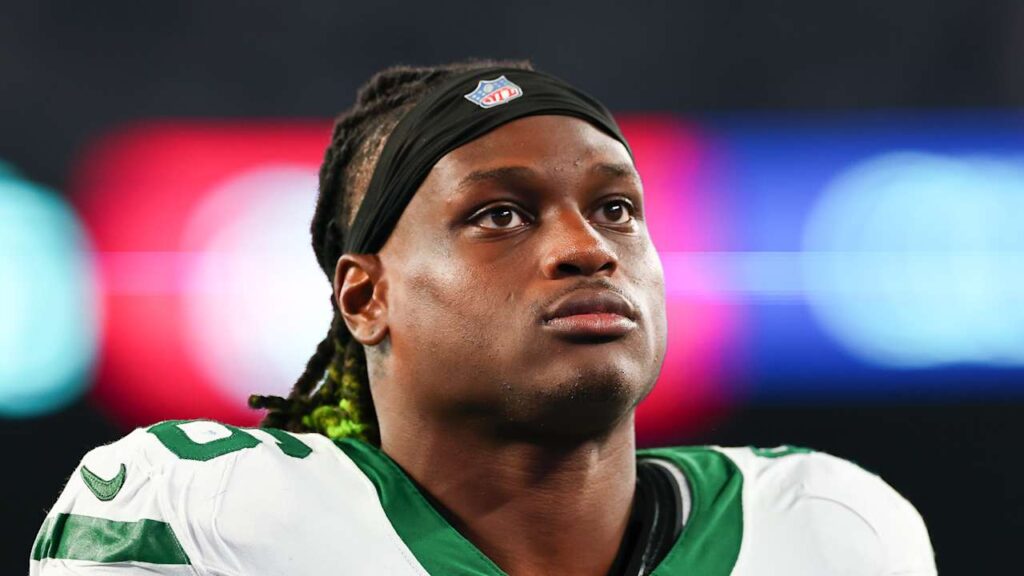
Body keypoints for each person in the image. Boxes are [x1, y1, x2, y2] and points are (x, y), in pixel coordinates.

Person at [30, 59, 937, 576]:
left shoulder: (833, 531)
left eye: (616, 208)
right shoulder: (212, 520)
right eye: (500, 215)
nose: (587, 248)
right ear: (366, 298)